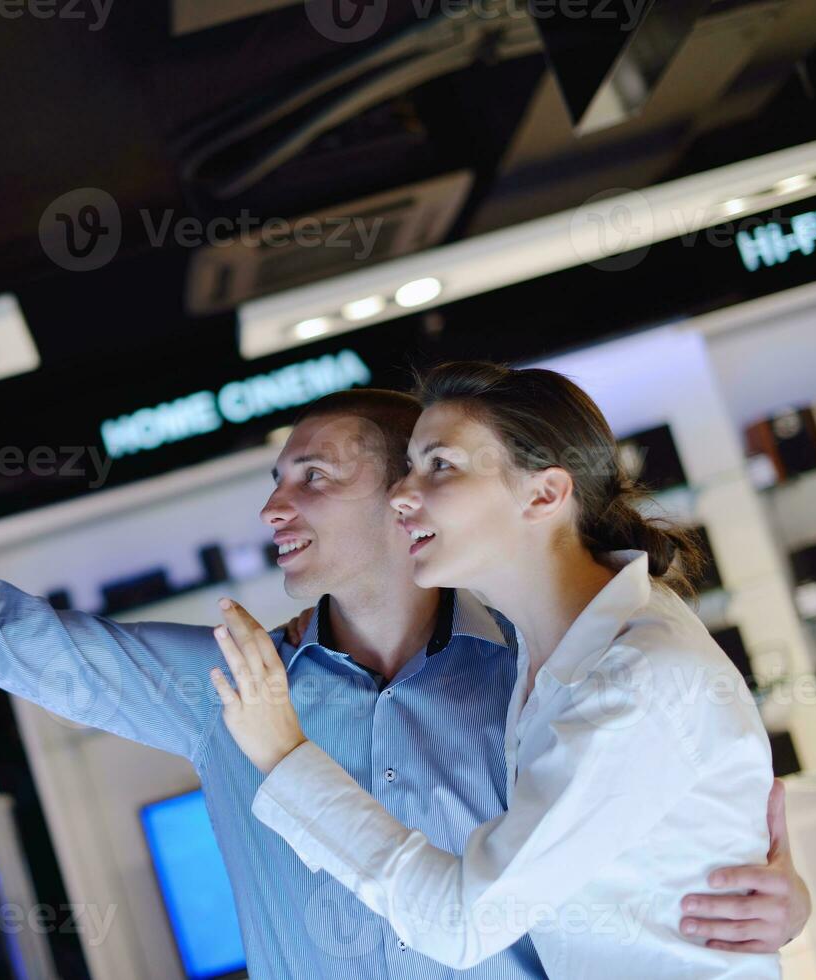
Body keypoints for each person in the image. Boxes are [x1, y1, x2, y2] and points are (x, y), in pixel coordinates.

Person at [0, 353, 807, 980]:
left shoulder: (532, 672)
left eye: (314, 475)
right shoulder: (229, 684)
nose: (274, 505)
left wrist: (780, 902)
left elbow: (641, 826)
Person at [211, 361, 785, 976]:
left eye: (440, 466)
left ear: (543, 494)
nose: (401, 495)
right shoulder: (554, 649)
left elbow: (464, 923)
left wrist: (286, 756)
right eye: (409, 468)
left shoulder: (634, 682)